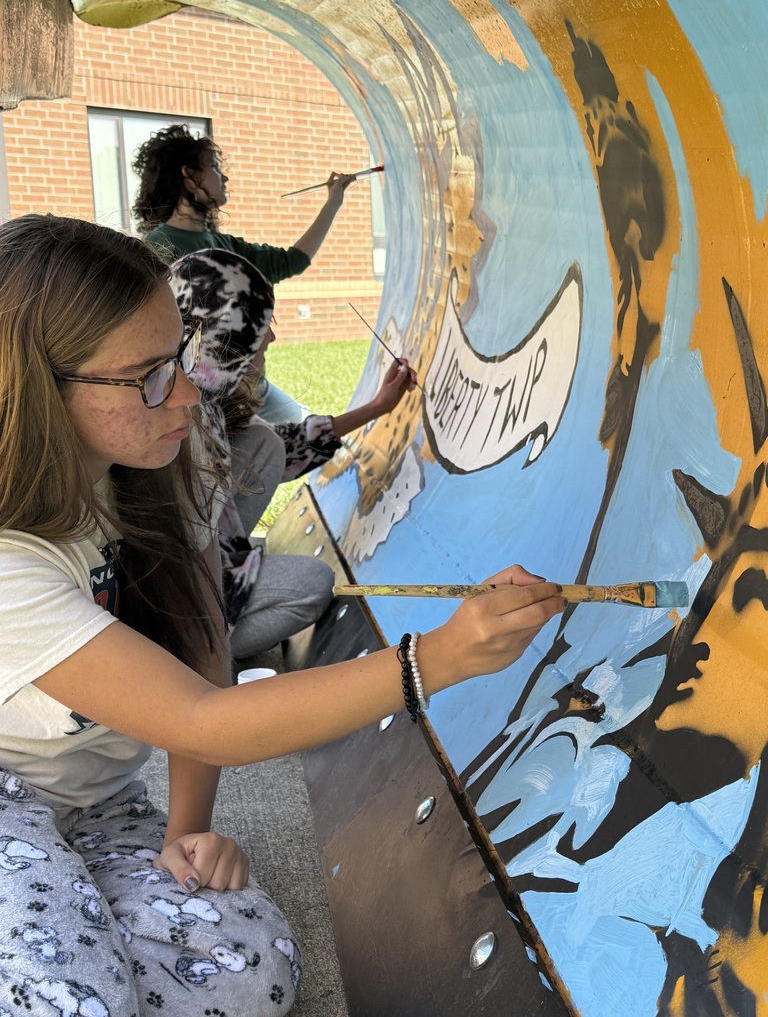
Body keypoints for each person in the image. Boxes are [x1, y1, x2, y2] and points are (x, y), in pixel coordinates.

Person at [0, 213, 564, 1015]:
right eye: (150, 373)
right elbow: (205, 717)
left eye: (181, 359)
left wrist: (183, 840)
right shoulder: (10, 561)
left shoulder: (159, 456)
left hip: (93, 807)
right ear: (34, 387)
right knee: (73, 996)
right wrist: (434, 660)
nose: (190, 390)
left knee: (252, 968)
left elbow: (202, 651)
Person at [169, 247, 416, 664]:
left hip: (195, 561)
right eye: (260, 326)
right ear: (225, 334)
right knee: (313, 583)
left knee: (263, 443)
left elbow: (284, 448)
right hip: (173, 603)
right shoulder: (178, 422)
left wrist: (375, 409)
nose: (270, 338)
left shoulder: (193, 392)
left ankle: (222, 598)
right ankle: (196, 652)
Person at [132, 122, 359, 423]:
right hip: (204, 400)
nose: (223, 176)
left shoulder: (225, 244)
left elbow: (293, 260)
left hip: (249, 389)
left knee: (291, 428)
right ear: (188, 176)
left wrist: (334, 202)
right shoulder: (158, 246)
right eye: (213, 167)